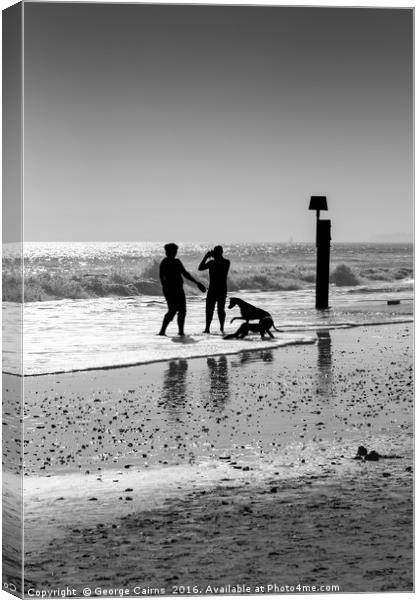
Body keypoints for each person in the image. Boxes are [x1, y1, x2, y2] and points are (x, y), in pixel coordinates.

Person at [158, 243, 206, 337]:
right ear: (167, 252)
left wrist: (196, 282)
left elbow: (185, 274)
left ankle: (181, 332)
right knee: (172, 310)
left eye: (175, 251)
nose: (175, 253)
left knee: (182, 311)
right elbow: (161, 277)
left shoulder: (177, 262)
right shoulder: (165, 262)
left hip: (179, 290)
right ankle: (162, 331)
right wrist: (166, 288)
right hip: (170, 290)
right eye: (173, 251)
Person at [198, 245, 230, 334]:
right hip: (216, 289)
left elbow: (201, 267)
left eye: (216, 253)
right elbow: (200, 268)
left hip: (219, 289)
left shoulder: (224, 262)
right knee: (210, 309)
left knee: (219, 309)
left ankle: (221, 328)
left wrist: (207, 257)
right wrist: (206, 257)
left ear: (219, 253)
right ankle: (208, 328)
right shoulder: (214, 262)